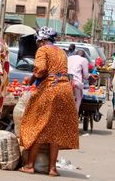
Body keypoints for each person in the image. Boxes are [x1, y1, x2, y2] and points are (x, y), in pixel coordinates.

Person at [19, 26, 79, 177]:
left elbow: (40, 70)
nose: (38, 45)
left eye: (38, 42)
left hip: (50, 89)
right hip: (65, 90)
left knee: (37, 126)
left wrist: (30, 80)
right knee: (55, 131)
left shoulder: (43, 50)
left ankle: (30, 165)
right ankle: (52, 169)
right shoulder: (62, 52)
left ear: (42, 40)